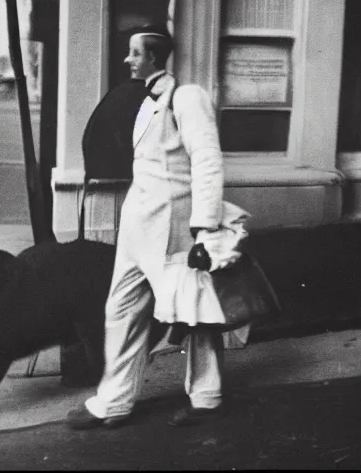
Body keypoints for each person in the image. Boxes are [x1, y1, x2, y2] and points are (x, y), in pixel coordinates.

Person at [67, 23, 236, 430]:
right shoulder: (142, 100)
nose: (128, 60)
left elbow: (208, 160)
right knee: (121, 310)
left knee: (193, 312)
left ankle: (207, 396)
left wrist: (204, 227)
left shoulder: (187, 96)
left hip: (175, 224)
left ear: (155, 57)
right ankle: (114, 401)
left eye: (135, 53)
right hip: (137, 226)